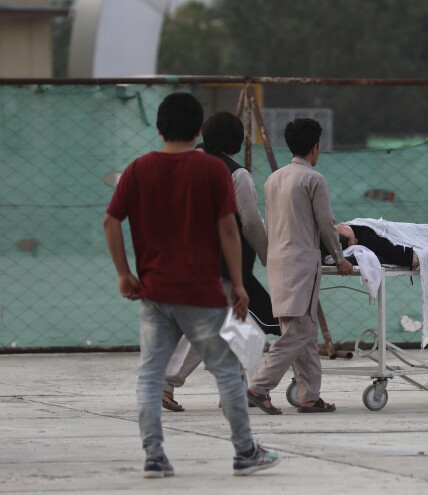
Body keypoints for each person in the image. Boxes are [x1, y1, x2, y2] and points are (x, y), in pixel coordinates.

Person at [103, 92, 280, 477]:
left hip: (153, 292)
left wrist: (124, 273)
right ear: (197, 128)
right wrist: (238, 282)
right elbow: (230, 230)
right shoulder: (216, 172)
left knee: (150, 375)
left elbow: (111, 221)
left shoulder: (138, 169)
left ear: (158, 127)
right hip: (202, 291)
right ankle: (245, 452)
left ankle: (154, 457)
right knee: (227, 372)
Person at [162, 111, 280, 413]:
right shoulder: (236, 174)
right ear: (236, 140)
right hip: (222, 265)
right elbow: (251, 223)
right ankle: (165, 382)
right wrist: (269, 257)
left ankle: (236, 390)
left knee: (233, 325)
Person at [247, 118, 353, 415]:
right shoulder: (313, 179)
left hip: (277, 260)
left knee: (302, 330)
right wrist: (340, 257)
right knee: (298, 332)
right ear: (315, 147)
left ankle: (309, 396)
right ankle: (258, 386)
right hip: (302, 262)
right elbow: (326, 225)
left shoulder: (273, 179)